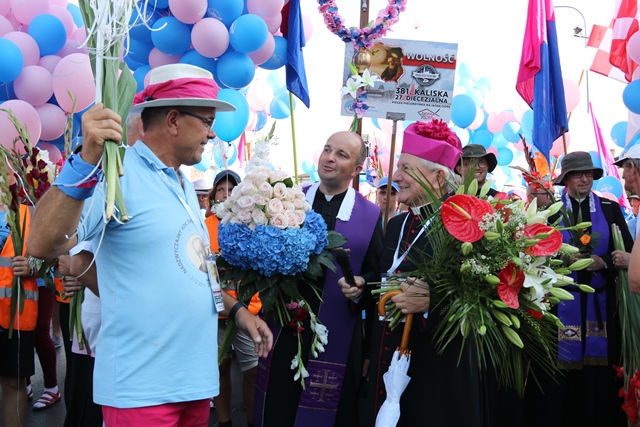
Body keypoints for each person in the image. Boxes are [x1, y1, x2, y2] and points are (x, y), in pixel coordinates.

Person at [27, 63, 273, 427]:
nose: (212, 133)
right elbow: (41, 243)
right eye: (207, 121)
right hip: (142, 389)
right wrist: (86, 161)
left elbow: (197, 274)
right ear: (173, 121)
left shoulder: (183, 183)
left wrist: (238, 312)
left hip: (194, 382)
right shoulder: (118, 171)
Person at [254, 131, 383, 427]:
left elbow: (377, 276)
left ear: (357, 169)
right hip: (284, 327)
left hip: (338, 332)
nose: (330, 158)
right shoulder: (288, 201)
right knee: (279, 406)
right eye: (327, 149)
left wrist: (361, 287)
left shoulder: (370, 216)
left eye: (341, 154)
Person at [361, 120, 485, 426]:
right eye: (398, 167)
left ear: (439, 178)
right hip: (386, 361)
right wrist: (363, 286)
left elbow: (483, 299)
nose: (396, 177)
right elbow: (386, 279)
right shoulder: (396, 225)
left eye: (406, 168)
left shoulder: (464, 225)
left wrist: (433, 301)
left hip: (434, 374)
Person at [523, 151, 633, 427]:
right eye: (578, 175)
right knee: (561, 376)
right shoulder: (551, 212)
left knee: (599, 376)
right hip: (560, 305)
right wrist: (563, 259)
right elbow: (534, 255)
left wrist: (604, 262)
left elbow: (628, 253)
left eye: (589, 174)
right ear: (566, 180)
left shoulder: (610, 209)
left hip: (601, 302)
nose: (585, 179)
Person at [205, 169, 263, 426]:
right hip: (214, 310)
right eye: (220, 189)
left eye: (231, 190)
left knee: (253, 370)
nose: (225, 194)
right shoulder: (204, 225)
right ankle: (225, 421)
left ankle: (252, 421)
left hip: (248, 308)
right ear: (213, 195)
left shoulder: (251, 223)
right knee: (220, 367)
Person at [0, 199, 37, 427]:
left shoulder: (29, 211)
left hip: (14, 316)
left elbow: (51, 256)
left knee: (13, 384)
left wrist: (32, 266)